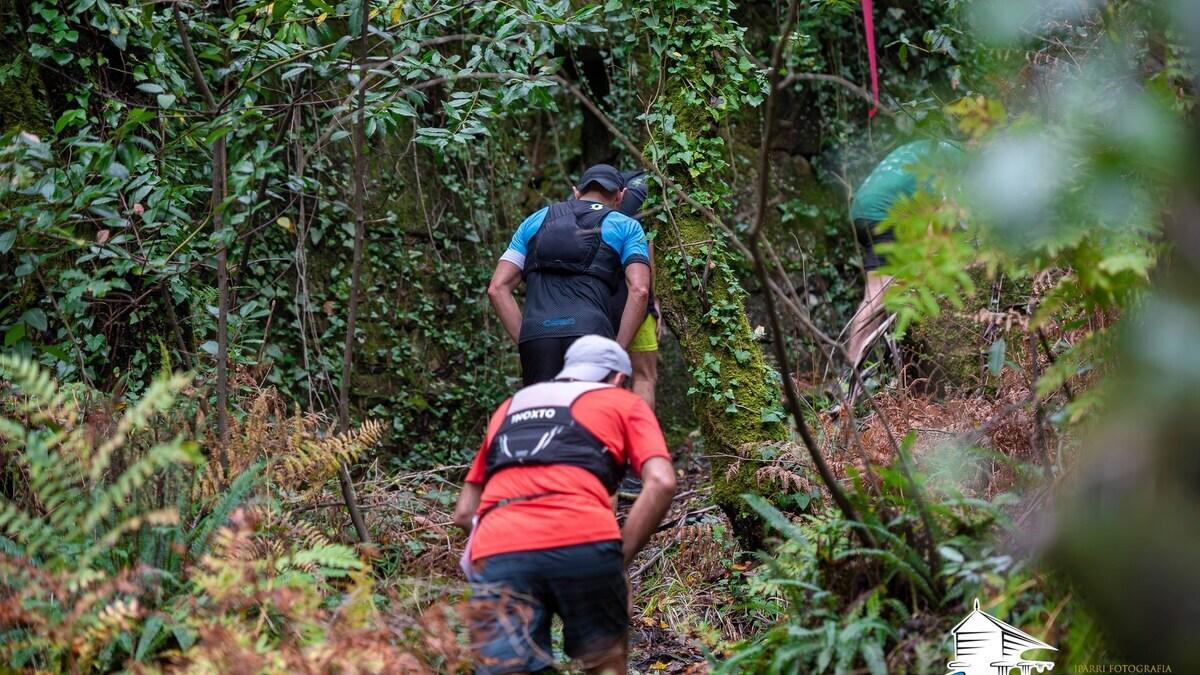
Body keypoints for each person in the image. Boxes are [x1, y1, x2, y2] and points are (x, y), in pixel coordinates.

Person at [454, 335, 677, 674]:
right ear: (619, 378)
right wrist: (620, 556)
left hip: (499, 546)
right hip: (583, 538)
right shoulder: (622, 401)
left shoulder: (510, 407)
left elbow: (465, 512)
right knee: (604, 662)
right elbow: (661, 481)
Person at [487, 165, 651, 386]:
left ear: (576, 191)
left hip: (537, 334)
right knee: (588, 416)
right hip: (592, 335)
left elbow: (497, 288)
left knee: (545, 415)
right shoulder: (627, 226)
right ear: (621, 195)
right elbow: (640, 290)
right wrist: (616, 350)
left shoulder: (535, 220)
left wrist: (526, 338)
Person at [845, 140, 963, 367]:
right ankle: (852, 371)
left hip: (862, 210)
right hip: (884, 214)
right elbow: (939, 221)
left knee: (876, 294)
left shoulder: (922, 147)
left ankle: (854, 370)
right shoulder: (955, 157)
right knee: (879, 295)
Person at [613, 169, 661, 411]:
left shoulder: (584, 205)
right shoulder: (649, 189)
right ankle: (642, 444)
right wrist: (656, 301)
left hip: (600, 300)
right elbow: (648, 246)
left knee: (610, 377)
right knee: (644, 376)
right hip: (637, 297)